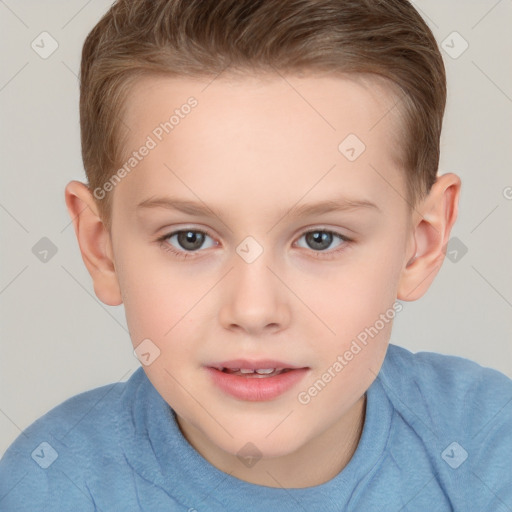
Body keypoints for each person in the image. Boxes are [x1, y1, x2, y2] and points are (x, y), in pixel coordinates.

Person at [1, 0, 510, 510]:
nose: (254, 310)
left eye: (320, 239)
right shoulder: (48, 488)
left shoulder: (489, 450)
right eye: (190, 239)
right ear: (101, 246)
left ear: (422, 242)